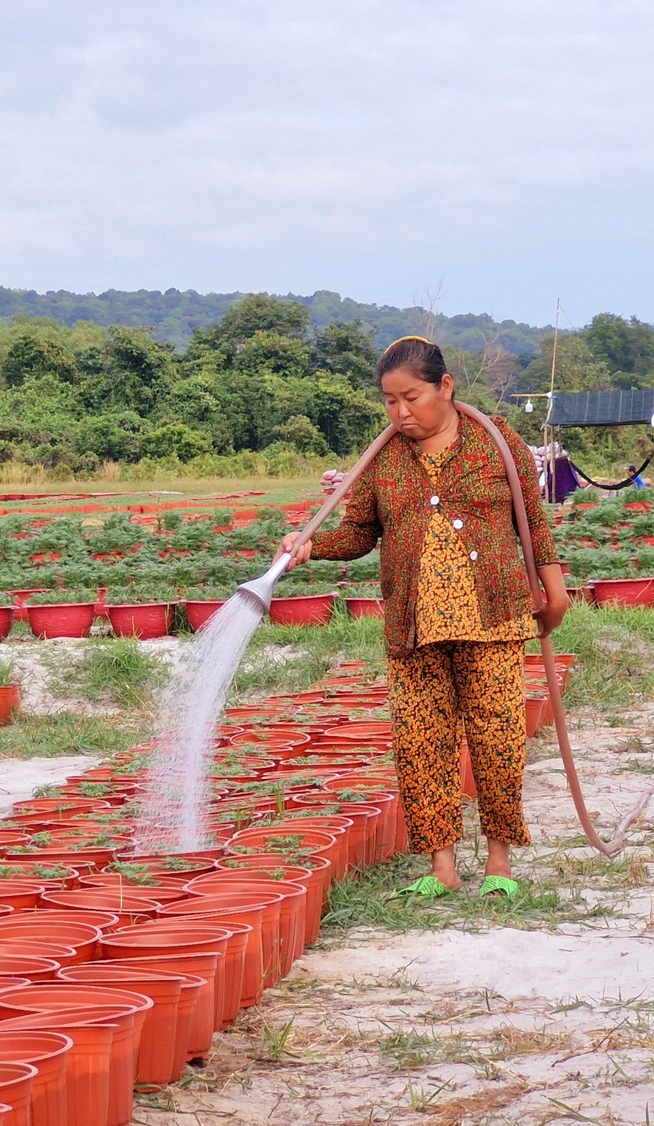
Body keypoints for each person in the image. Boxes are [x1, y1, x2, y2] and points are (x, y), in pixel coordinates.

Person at [280, 336, 567, 898]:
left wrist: (554, 595)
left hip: (493, 617)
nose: (401, 412)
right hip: (414, 627)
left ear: (446, 387)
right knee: (421, 743)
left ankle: (499, 864)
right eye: (390, 402)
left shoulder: (496, 441)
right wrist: (312, 545)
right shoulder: (383, 457)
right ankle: (440, 867)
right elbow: (361, 533)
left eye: (411, 397)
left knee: (497, 740)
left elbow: (533, 522)